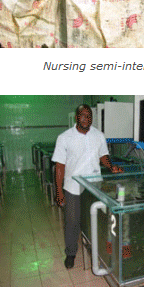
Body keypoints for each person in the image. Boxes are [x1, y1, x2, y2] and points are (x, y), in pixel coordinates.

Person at [52, 104, 122, 269]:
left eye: (89, 116)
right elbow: (60, 166)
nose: (87, 119)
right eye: (83, 115)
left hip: (94, 186)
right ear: (76, 117)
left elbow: (103, 156)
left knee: (96, 220)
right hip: (72, 187)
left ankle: (95, 250)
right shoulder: (64, 138)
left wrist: (111, 166)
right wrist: (59, 191)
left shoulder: (98, 135)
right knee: (72, 221)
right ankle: (71, 253)